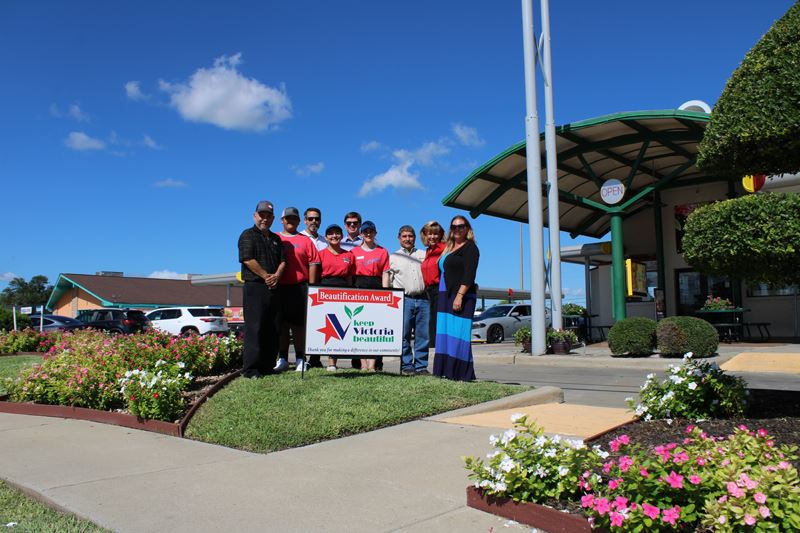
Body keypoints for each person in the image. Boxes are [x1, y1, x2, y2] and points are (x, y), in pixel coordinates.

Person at [237, 200, 286, 378]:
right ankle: (251, 369)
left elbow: (283, 261)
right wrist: (266, 276)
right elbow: (247, 259)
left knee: (272, 327)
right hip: (255, 287)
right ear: (255, 215)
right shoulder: (247, 235)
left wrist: (277, 276)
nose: (264, 219)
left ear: (273, 218)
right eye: (261, 215)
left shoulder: (276, 239)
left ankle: (267, 365)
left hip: (274, 287)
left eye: (268, 216)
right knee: (254, 327)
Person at [274, 207, 321, 372]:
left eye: (294, 218)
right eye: (287, 218)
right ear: (282, 220)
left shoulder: (306, 241)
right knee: (282, 326)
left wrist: (312, 287)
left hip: (300, 287)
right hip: (279, 288)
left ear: (299, 221)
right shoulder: (275, 238)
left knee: (299, 326)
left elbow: (313, 264)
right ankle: (283, 358)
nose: (290, 221)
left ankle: (301, 358)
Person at [433, 215, 479, 381]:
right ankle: (445, 370)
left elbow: (469, 275)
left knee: (458, 336)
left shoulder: (470, 248)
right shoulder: (448, 248)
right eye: (454, 227)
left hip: (461, 295)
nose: (457, 229)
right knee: (445, 334)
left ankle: (460, 373)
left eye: (461, 226)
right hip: (446, 294)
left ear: (467, 228)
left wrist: (459, 296)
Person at [389, 225, 429, 375]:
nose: (407, 239)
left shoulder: (423, 254)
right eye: (404, 236)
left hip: (423, 299)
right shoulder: (393, 257)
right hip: (404, 300)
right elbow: (388, 279)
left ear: (415, 238)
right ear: (399, 238)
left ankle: (421, 366)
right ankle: (406, 365)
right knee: (404, 335)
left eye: (410, 236)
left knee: (422, 335)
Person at [352, 220, 390, 371]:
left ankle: (373, 364)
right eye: (365, 231)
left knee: (375, 328)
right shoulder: (354, 252)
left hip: (377, 288)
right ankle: (363, 364)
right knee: (360, 328)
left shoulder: (382, 251)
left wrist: (386, 295)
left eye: (371, 231)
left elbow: (385, 274)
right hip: (359, 287)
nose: (368, 234)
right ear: (361, 234)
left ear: (375, 233)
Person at [318, 224, 355, 371]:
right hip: (325, 289)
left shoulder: (349, 255)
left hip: (343, 291)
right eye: (331, 234)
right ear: (326, 237)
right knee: (325, 325)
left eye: (337, 233)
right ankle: (321, 360)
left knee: (339, 326)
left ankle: (334, 360)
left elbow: (351, 277)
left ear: (341, 236)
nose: (334, 236)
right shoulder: (320, 254)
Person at [420, 220, 445, 349]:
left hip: (439, 289)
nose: (432, 237)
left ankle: (436, 348)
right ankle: (430, 346)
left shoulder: (444, 249)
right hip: (428, 291)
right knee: (429, 320)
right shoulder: (427, 251)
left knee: (436, 320)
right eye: (430, 234)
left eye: (436, 234)